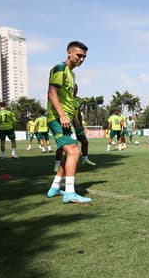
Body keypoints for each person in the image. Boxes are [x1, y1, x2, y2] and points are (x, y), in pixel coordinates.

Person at [45, 40, 92, 203]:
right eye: (79, 55)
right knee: (74, 151)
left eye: (84, 57)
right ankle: (70, 193)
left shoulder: (72, 74)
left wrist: (73, 118)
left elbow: (68, 100)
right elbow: (51, 93)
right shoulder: (59, 68)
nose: (81, 59)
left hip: (65, 118)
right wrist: (62, 115)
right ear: (69, 53)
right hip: (57, 117)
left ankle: (55, 186)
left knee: (70, 152)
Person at [54, 84, 95, 172]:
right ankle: (57, 164)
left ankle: (85, 159)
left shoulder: (79, 100)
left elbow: (79, 113)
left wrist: (80, 125)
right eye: (73, 89)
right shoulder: (64, 99)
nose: (75, 91)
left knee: (85, 142)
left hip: (77, 126)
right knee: (62, 146)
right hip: (66, 125)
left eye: (76, 89)